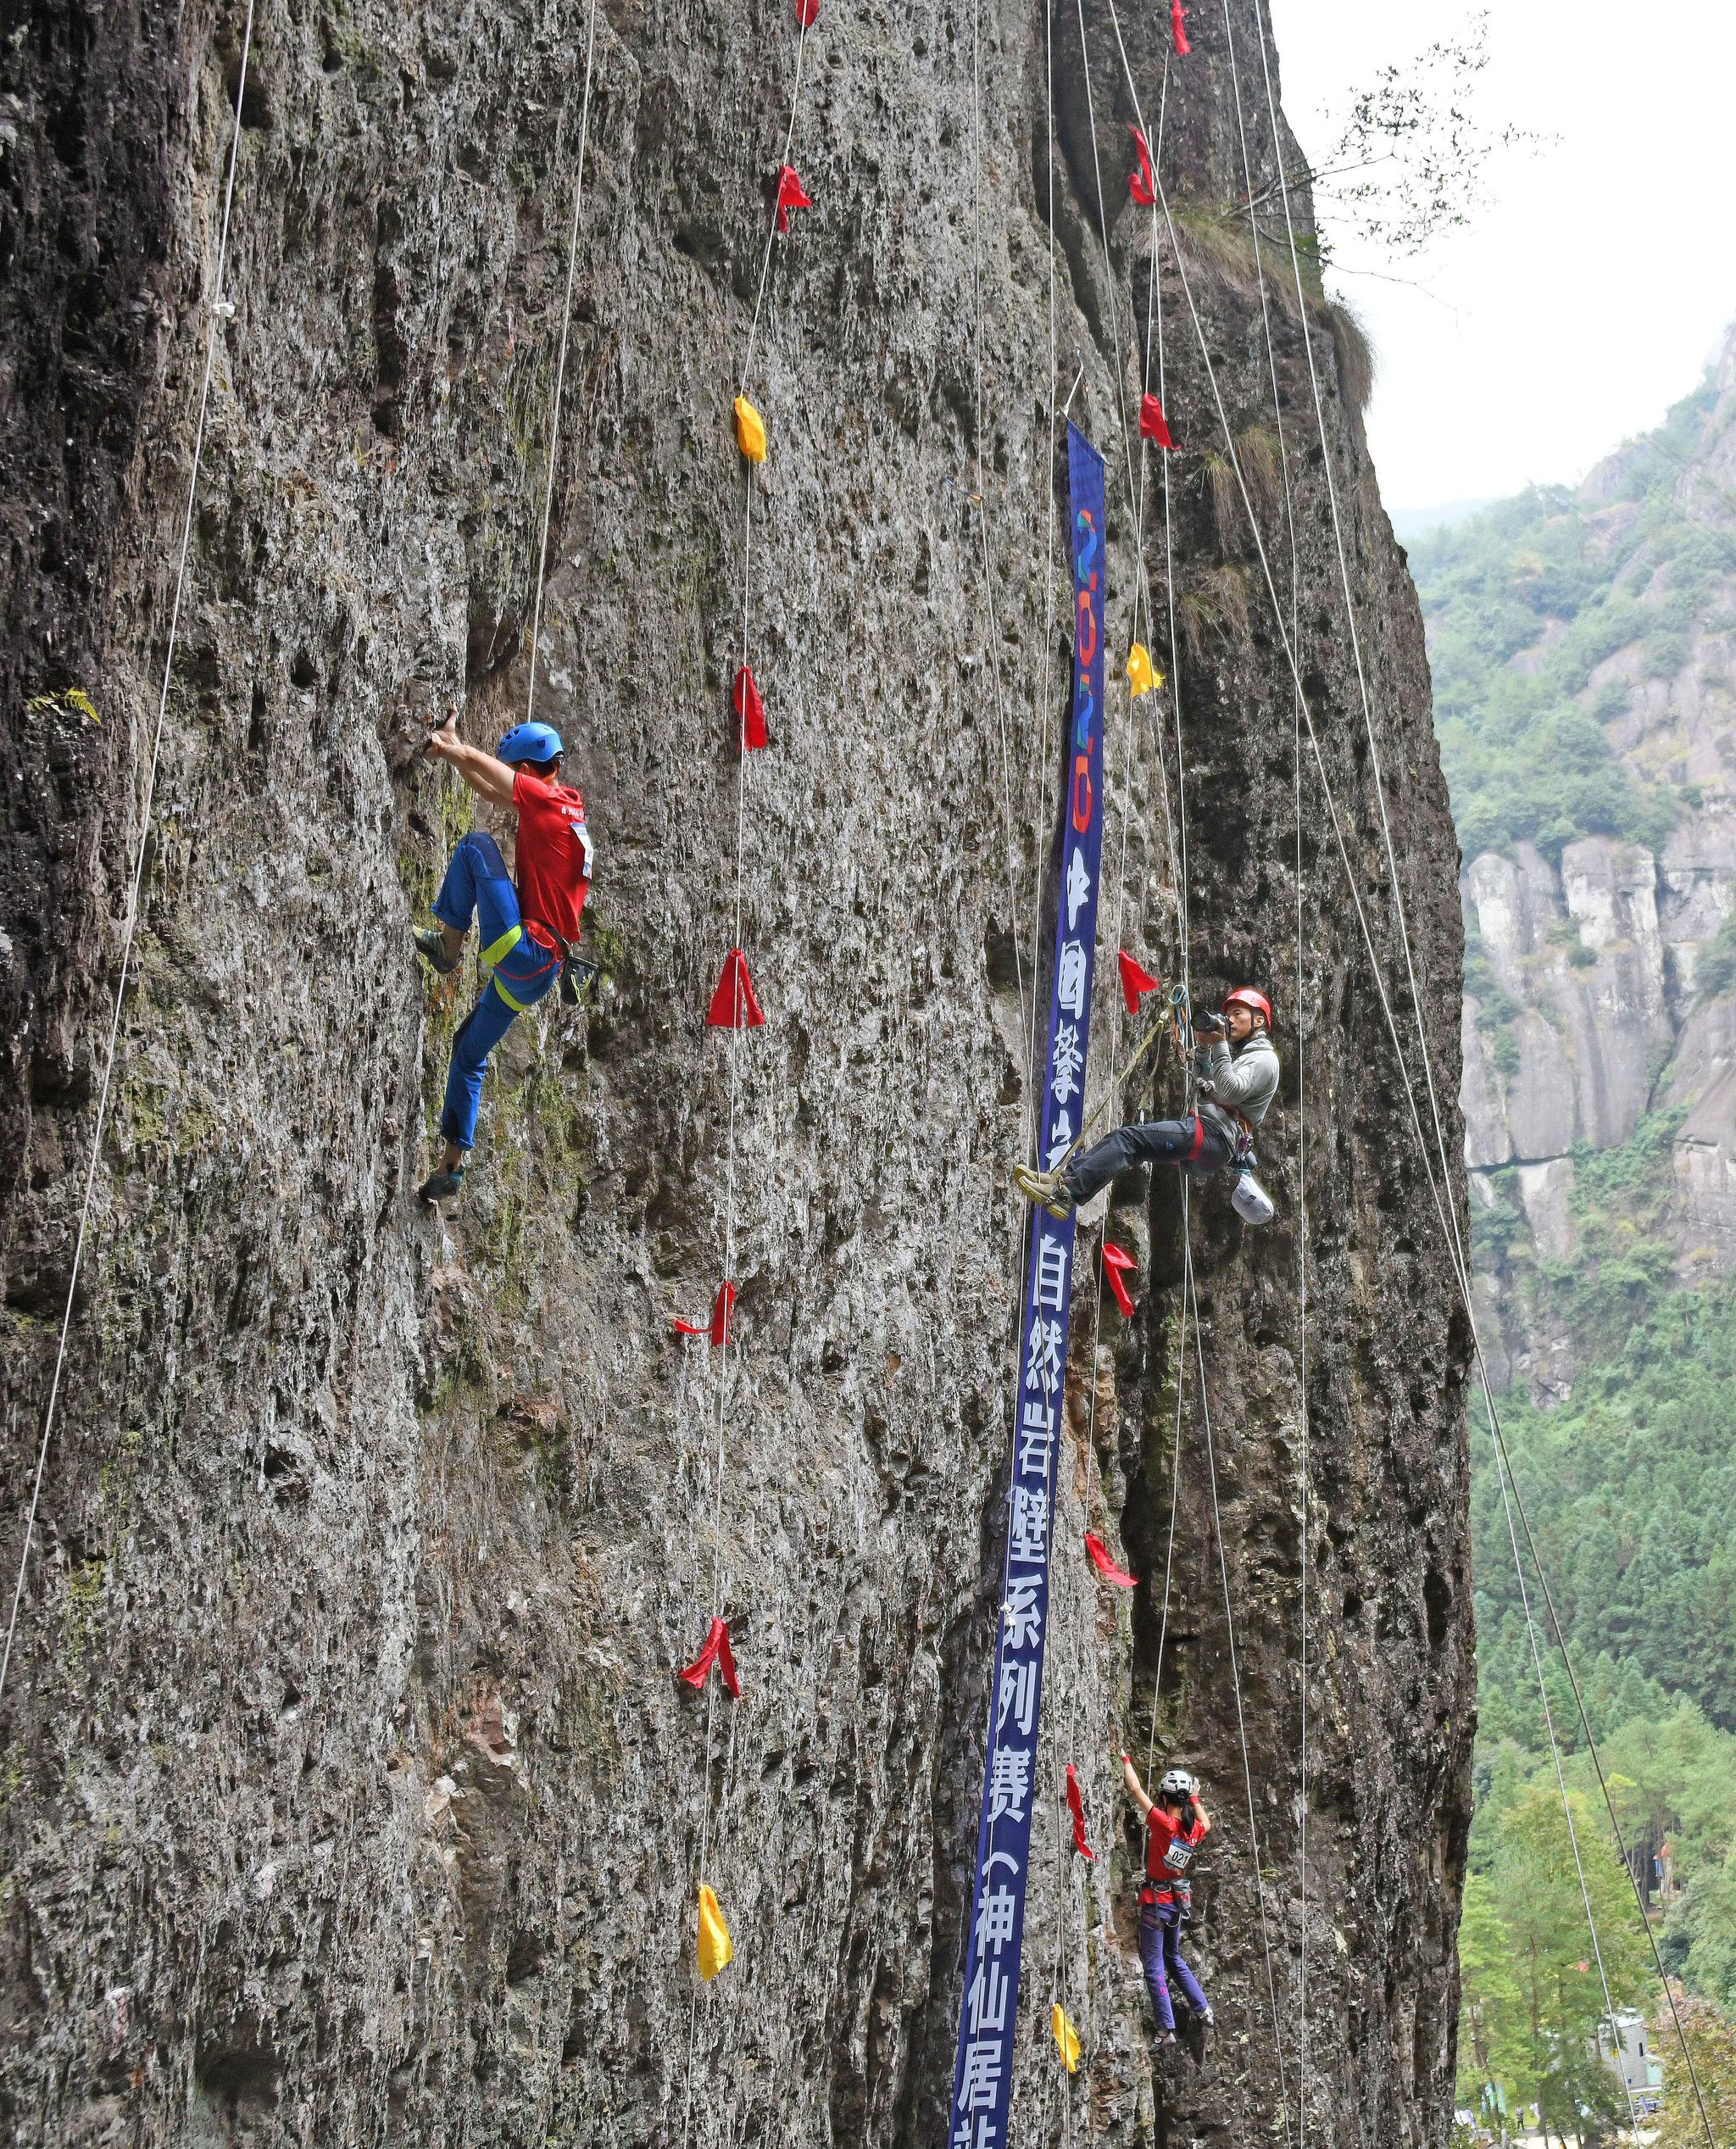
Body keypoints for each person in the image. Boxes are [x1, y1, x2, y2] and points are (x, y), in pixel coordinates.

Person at [412, 710, 594, 1204]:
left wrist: (450, 748)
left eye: (518, 772)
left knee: (475, 847)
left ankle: (448, 949)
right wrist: (456, 750)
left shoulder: (545, 799)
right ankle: (452, 1164)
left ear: (530, 770)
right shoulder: (566, 807)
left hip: (527, 949)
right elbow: (492, 789)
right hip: (540, 971)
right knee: (468, 1050)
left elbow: (490, 774)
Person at [1014, 988, 1278, 1222]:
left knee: (1129, 1140)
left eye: (1238, 1013)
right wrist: (1205, 1049)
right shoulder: (1246, 1057)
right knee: (1125, 1140)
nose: (1230, 1020)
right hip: (1209, 1142)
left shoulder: (1264, 1059)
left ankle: (1068, 1193)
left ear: (1258, 1020)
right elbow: (1213, 1084)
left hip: (1212, 1136)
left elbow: (1231, 1091)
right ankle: (1063, 1180)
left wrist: (1220, 1044)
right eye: (1228, 1014)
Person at [1122, 1755, 1214, 2045]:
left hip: (1156, 1902)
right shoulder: (1192, 1831)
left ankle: (1166, 2029)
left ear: (1164, 1798)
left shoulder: (1164, 1824)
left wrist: (1125, 1759)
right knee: (1173, 1957)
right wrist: (1196, 1799)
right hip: (1176, 1902)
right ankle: (1202, 2007)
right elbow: (1207, 1824)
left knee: (1154, 1965)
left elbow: (1136, 1790)